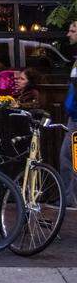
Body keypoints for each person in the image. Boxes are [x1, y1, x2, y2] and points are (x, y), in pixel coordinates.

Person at [61, 21, 77, 207]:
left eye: (73, 31)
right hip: (73, 116)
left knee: (68, 156)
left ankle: (69, 200)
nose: (68, 34)